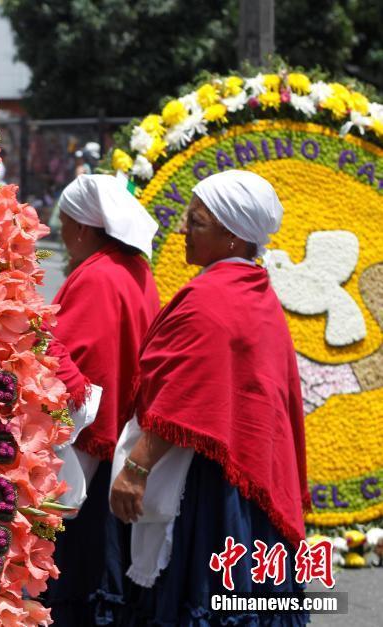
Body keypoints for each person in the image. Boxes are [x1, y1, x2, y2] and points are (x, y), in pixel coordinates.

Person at [106, 170, 309, 625]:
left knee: (202, 597)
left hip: (209, 484)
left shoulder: (212, 299)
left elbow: (187, 398)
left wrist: (136, 469)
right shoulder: (254, 290)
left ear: (233, 236)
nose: (182, 230)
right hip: (245, 476)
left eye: (196, 222)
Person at [44, 174, 160, 626]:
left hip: (89, 444)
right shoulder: (132, 267)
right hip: (119, 439)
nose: (60, 232)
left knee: (80, 571)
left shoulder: (98, 276)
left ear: (86, 228)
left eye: (65, 221)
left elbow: (76, 359)